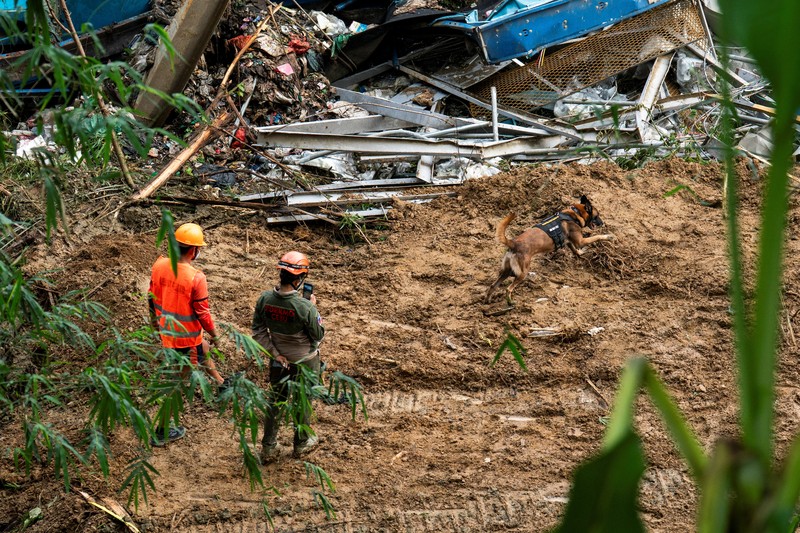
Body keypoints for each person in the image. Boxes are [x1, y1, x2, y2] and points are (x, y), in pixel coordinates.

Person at [148, 222, 227, 446]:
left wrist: (154, 323)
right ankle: (162, 430)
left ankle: (220, 381)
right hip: (185, 339)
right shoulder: (196, 277)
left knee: (203, 348)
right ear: (194, 250)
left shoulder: (160, 265)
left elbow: (151, 298)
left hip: (167, 332)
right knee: (176, 384)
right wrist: (215, 334)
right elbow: (203, 313)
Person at [252, 251, 325, 463]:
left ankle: (268, 447)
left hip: (278, 361)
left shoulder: (265, 299)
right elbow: (318, 334)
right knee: (303, 401)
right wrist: (312, 306)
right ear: (298, 279)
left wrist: (275, 353)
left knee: (276, 401)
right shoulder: (304, 307)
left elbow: (258, 331)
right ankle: (301, 443)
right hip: (305, 361)